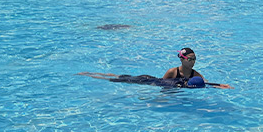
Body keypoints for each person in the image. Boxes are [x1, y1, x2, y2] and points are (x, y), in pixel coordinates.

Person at [163, 48, 233, 88]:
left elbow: (206, 84)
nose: (193, 62)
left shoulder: (196, 75)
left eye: (194, 59)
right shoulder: (172, 72)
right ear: (181, 59)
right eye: (189, 59)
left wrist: (219, 85)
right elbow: (161, 83)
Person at [78, 72, 219, 89]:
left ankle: (95, 73)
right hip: (144, 82)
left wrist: (217, 85)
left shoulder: (183, 79)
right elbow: (165, 92)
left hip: (147, 76)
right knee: (114, 80)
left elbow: (205, 83)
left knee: (120, 76)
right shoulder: (177, 86)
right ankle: (91, 75)